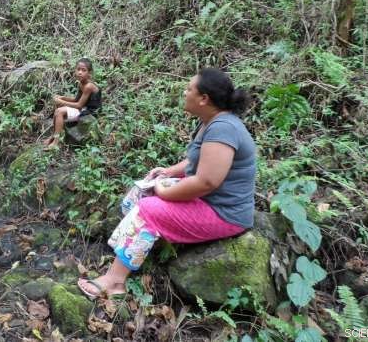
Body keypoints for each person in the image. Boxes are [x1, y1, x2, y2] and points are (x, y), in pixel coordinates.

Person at [77, 68, 255, 299]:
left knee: (148, 209)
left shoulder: (224, 128)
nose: (184, 93)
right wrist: (167, 172)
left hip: (224, 212)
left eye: (189, 89)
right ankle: (132, 251)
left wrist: (164, 192)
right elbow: (198, 161)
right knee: (140, 192)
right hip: (208, 200)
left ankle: (115, 282)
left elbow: (206, 181)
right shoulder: (212, 121)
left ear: (204, 99)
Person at [44, 58, 102, 148]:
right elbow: (76, 100)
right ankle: (54, 135)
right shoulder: (81, 83)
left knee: (59, 111)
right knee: (58, 105)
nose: (80, 72)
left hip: (90, 113)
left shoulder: (89, 86)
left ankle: (56, 142)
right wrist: (62, 98)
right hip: (83, 109)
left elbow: (79, 105)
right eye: (78, 69)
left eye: (83, 70)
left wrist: (62, 102)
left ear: (89, 73)